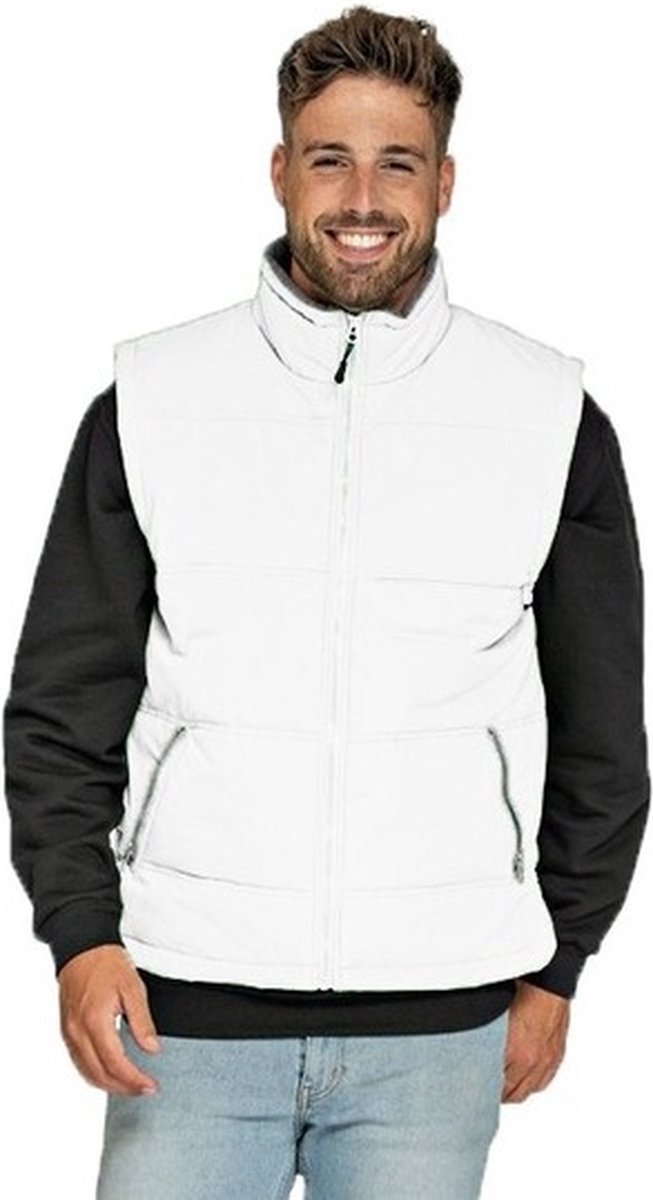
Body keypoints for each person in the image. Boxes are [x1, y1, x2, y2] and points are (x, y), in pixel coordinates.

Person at [3, 6, 650, 1199]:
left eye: (396, 163)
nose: (361, 199)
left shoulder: (547, 417)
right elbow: (59, 707)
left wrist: (558, 963)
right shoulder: (150, 400)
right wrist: (79, 935)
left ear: (443, 182)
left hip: (439, 1030)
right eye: (328, 159)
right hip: (179, 1017)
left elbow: (603, 734)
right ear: (278, 171)